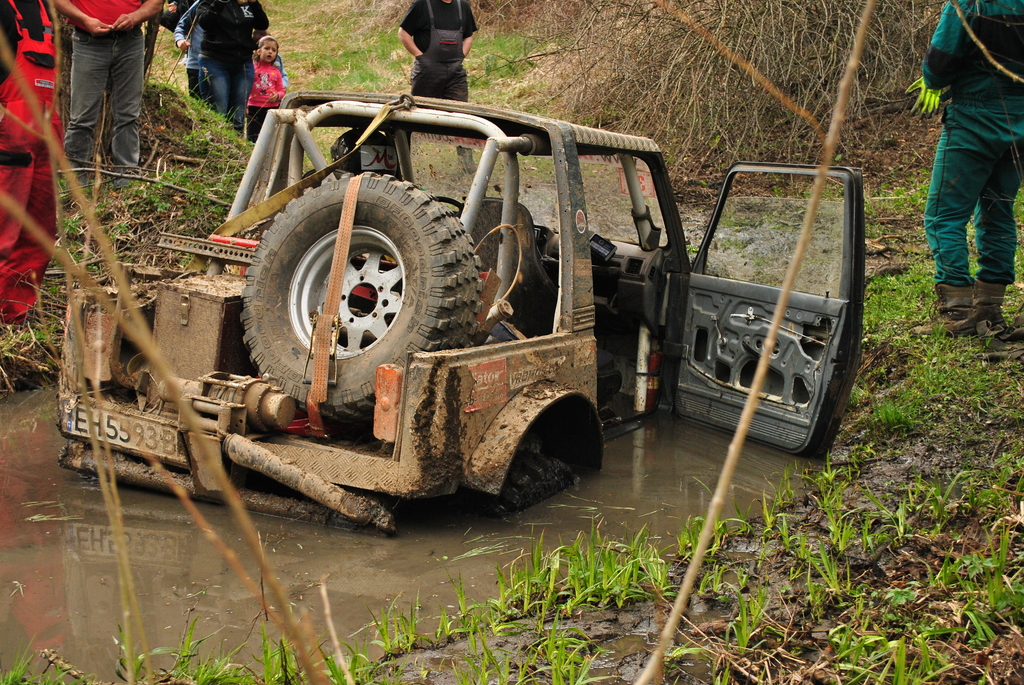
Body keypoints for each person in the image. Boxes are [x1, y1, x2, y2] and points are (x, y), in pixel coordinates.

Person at [908, 0, 1024, 337]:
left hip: (975, 117)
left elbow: (939, 64)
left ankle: (958, 313)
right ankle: (990, 309)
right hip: (1022, 124)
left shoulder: (970, 2)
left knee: (944, 215)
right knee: (997, 211)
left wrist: (932, 80)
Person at [54, 0, 162, 189]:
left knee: (128, 114)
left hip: (130, 40)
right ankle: (75, 182)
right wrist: (85, 19)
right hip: (88, 41)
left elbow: (156, 2)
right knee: (82, 117)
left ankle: (126, 176)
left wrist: (133, 17)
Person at [0, 0, 63, 323]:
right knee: (3, 230)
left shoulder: (43, 9)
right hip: (9, 129)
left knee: (37, 232)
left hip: (43, 133)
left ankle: (14, 313)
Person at [197, 0, 268, 135]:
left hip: (243, 63)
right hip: (215, 61)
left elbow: (262, 24)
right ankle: (216, 149)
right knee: (219, 113)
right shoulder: (209, 2)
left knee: (238, 118)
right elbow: (205, 23)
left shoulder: (245, 3)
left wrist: (254, 4)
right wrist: (220, 2)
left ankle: (236, 153)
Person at [398, 0, 476, 101]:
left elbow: (468, 37)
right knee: (424, 111)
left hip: (455, 73)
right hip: (427, 72)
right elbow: (403, 33)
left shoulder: (463, 6)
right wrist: (420, 57)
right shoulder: (422, 4)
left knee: (458, 112)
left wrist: (461, 56)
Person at [246, 34, 284, 143]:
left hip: (271, 108)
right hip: (253, 107)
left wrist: (277, 96)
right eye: (266, 48)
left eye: (273, 50)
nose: (270, 52)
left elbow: (281, 90)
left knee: (271, 136)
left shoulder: (276, 71)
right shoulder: (252, 68)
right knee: (253, 136)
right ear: (258, 51)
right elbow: (245, 86)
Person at [173, 0, 205, 101]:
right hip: (196, 64)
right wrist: (180, 39)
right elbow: (181, 26)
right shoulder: (201, 3)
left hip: (224, 65)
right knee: (197, 105)